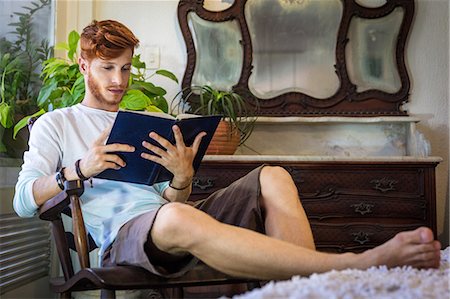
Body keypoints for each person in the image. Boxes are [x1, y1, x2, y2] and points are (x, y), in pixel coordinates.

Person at [14, 20, 441, 283]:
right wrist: (78, 170)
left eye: (125, 67)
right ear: (84, 65)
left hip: (171, 218)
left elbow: (171, 201)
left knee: (272, 175)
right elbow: (22, 201)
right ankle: (351, 266)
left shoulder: (151, 121)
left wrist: (181, 178)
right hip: (121, 239)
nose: (119, 79)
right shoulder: (57, 123)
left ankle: (304, 286)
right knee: (179, 217)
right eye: (107, 68)